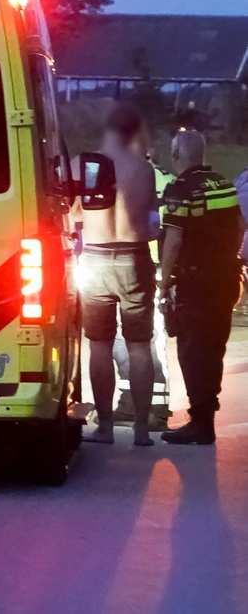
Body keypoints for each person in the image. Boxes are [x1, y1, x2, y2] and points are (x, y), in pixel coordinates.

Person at [77, 104, 159, 446]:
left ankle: (106, 426)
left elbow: (71, 216)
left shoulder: (82, 166)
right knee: (140, 346)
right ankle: (141, 429)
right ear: (133, 131)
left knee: (99, 344)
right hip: (134, 258)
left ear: (107, 129)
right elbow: (153, 224)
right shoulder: (144, 169)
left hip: (94, 259)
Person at [159, 130, 243, 445]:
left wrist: (163, 283)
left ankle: (200, 422)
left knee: (192, 351)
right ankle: (206, 415)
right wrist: (227, 257)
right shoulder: (222, 182)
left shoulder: (180, 190)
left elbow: (174, 241)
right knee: (214, 349)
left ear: (176, 154)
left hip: (196, 283)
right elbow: (238, 226)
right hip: (226, 278)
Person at [111, 155, 174, 429]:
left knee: (131, 341)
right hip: (150, 268)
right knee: (146, 341)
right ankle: (146, 406)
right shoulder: (168, 180)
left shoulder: (116, 177)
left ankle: (146, 407)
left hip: (138, 266)